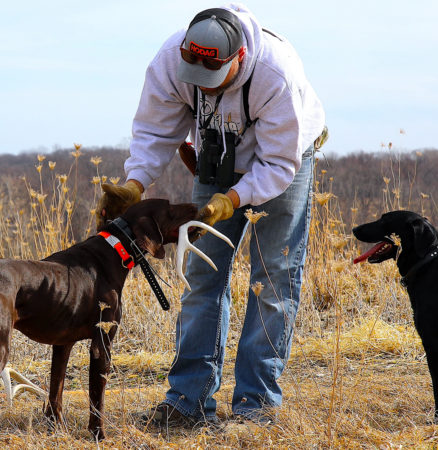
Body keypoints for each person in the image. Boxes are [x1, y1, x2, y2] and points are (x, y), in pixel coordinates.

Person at [97, 3, 326, 427]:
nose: (202, 86)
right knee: (202, 275)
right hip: (216, 156)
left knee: (272, 280)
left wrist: (233, 200)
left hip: (282, 164)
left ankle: (256, 407)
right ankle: (188, 401)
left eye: (212, 78)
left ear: (236, 60)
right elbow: (155, 130)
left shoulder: (275, 74)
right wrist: (134, 183)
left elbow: (278, 163)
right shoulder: (170, 60)